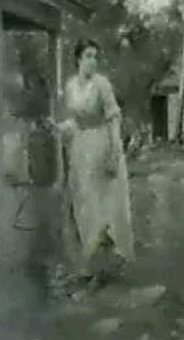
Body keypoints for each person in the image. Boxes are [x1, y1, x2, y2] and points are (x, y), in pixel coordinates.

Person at [49, 38, 135, 274]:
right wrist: (59, 128)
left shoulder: (102, 84)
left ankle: (107, 259)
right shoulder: (70, 86)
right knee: (83, 203)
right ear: (78, 59)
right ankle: (89, 260)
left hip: (102, 143)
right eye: (88, 56)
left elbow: (114, 118)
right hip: (80, 148)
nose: (92, 62)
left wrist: (114, 152)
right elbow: (75, 121)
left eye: (95, 57)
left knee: (102, 203)